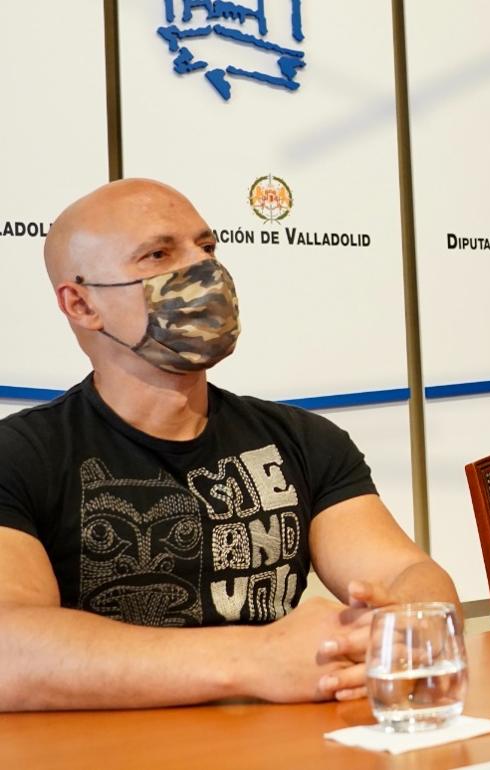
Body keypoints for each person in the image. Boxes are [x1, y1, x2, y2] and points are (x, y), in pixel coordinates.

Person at [0, 179, 459, 711]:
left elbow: (407, 575)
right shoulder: (21, 456)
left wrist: (397, 629)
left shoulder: (303, 440)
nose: (205, 270)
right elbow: (10, 649)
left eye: (208, 247)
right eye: (158, 254)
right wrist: (256, 658)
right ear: (81, 304)